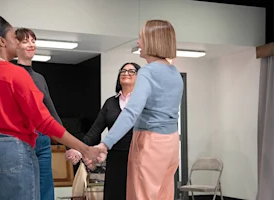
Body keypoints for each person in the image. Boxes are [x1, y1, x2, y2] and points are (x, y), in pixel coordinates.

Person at [0, 14, 105, 200]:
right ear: (1, 41)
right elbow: (43, 122)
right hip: (11, 150)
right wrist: (84, 148)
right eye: (14, 37)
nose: (17, 40)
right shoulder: (17, 75)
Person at [86, 19, 183, 200]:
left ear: (152, 40)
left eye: (141, 38)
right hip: (170, 144)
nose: (138, 42)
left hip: (150, 143)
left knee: (142, 196)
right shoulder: (175, 72)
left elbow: (131, 112)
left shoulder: (148, 72)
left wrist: (106, 143)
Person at [66, 62, 140, 200]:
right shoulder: (110, 103)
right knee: (114, 195)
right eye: (123, 71)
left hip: (138, 157)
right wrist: (78, 149)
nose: (125, 73)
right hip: (115, 158)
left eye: (131, 71)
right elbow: (95, 130)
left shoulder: (142, 102)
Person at [15, 27, 60, 200]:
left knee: (46, 188)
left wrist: (69, 144)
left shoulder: (40, 78)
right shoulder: (10, 74)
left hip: (42, 139)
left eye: (33, 41)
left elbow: (51, 110)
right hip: (20, 139)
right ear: (16, 45)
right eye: (25, 41)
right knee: (23, 188)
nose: (31, 44)